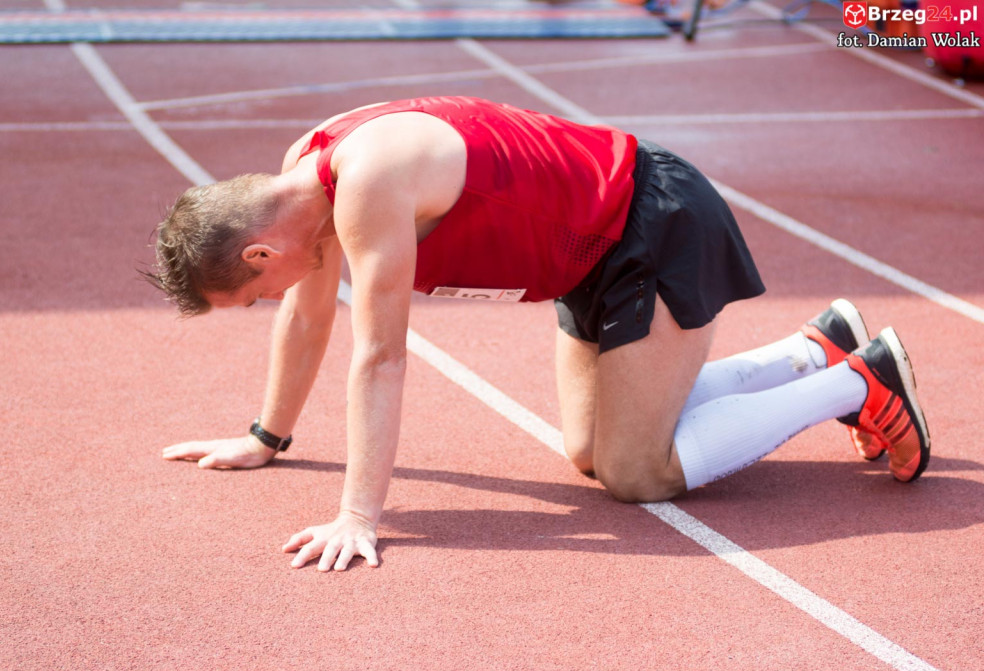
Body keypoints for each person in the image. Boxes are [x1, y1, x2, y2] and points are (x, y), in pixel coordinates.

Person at [146, 96, 930, 572]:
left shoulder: (365, 187)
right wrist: (265, 437)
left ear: (259, 250)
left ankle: (859, 380)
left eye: (250, 294)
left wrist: (358, 517)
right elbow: (307, 312)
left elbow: (380, 356)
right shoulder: (303, 174)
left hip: (648, 224)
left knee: (635, 473)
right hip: (587, 255)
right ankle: (810, 349)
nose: (268, 300)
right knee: (587, 453)